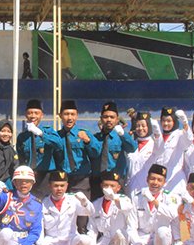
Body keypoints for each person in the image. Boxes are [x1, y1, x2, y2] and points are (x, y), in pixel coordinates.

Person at [125, 164, 179, 245]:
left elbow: (173, 214)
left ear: (164, 182)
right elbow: (131, 225)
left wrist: (153, 200)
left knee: (163, 231)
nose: (155, 183)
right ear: (147, 179)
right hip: (142, 238)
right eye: (152, 179)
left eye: (159, 180)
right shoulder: (137, 197)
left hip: (161, 239)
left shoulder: (171, 197)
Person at [37, 170, 94, 245]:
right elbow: (39, 227)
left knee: (86, 241)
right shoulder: (43, 203)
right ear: (50, 186)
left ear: (67, 186)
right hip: (52, 242)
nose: (59, 189)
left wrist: (85, 202)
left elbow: (89, 213)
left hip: (69, 241)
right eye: (56, 185)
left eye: (62, 185)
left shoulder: (73, 200)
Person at [84, 170, 136, 245]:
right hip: (105, 240)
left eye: (112, 186)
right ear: (101, 186)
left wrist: (114, 198)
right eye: (106, 185)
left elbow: (126, 208)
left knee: (120, 235)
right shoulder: (96, 204)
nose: (108, 188)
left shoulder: (124, 199)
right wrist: (91, 244)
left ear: (118, 188)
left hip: (122, 240)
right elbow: (92, 229)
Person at [55, 99, 92, 232]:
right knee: (64, 215)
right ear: (60, 116)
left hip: (81, 179)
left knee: (82, 214)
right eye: (66, 114)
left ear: (77, 116)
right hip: (63, 180)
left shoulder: (84, 134)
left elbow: (95, 153)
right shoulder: (56, 136)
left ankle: (82, 237)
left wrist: (87, 141)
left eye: (72, 114)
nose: (69, 118)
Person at [87, 101, 136, 197]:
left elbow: (132, 148)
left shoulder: (121, 137)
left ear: (117, 119)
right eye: (105, 117)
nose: (109, 120)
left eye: (112, 117)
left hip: (116, 181)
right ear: (101, 119)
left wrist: (123, 134)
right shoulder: (95, 138)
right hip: (97, 181)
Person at [16, 99, 59, 197]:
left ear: (42, 115)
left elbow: (58, 144)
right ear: (26, 115)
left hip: (46, 176)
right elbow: (21, 159)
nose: (33, 116)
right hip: (29, 176)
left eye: (36, 113)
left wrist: (41, 134)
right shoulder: (22, 137)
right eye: (30, 113)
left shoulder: (48, 131)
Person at [151, 106, 192, 196]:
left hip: (175, 181)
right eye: (163, 120)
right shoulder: (157, 136)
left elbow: (189, 140)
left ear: (174, 121)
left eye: (169, 121)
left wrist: (185, 123)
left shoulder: (179, 134)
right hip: (160, 179)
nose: (166, 123)